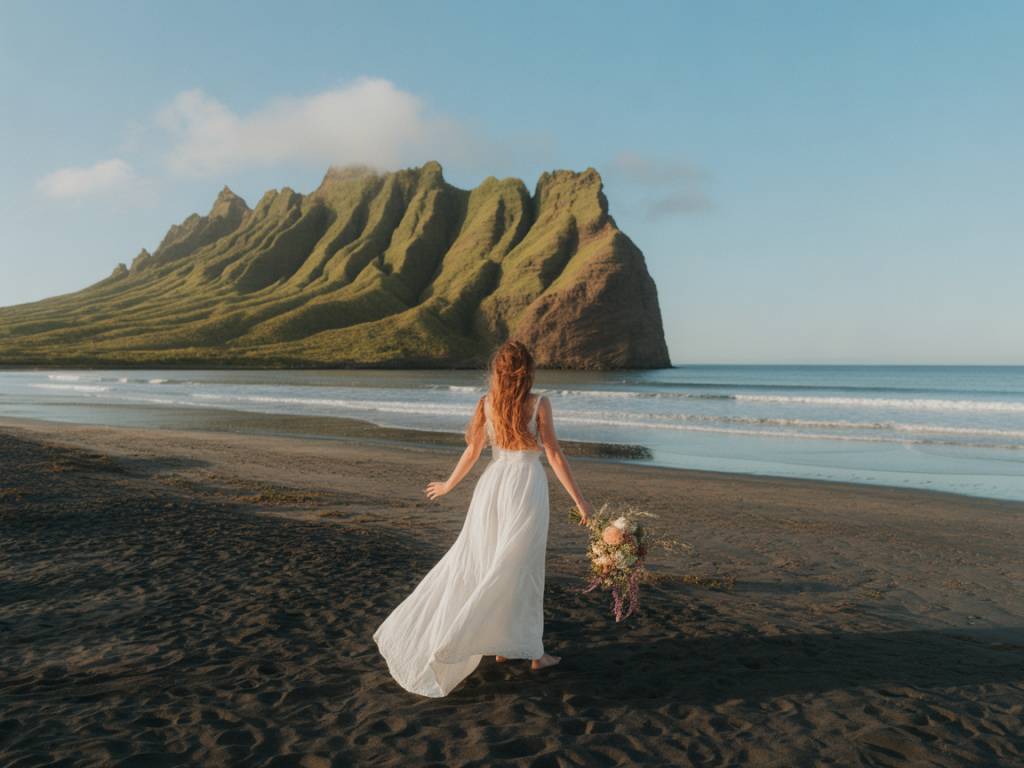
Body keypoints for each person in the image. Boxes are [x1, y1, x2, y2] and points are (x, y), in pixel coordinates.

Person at [372, 340, 594, 697]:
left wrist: (448, 485)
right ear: (527, 370)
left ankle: (503, 645)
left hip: (492, 486)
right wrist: (580, 501)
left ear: (498, 371)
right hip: (525, 485)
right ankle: (533, 654)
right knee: (522, 567)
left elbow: (474, 451)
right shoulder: (538, 403)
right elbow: (552, 452)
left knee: (490, 562)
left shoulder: (486, 404)